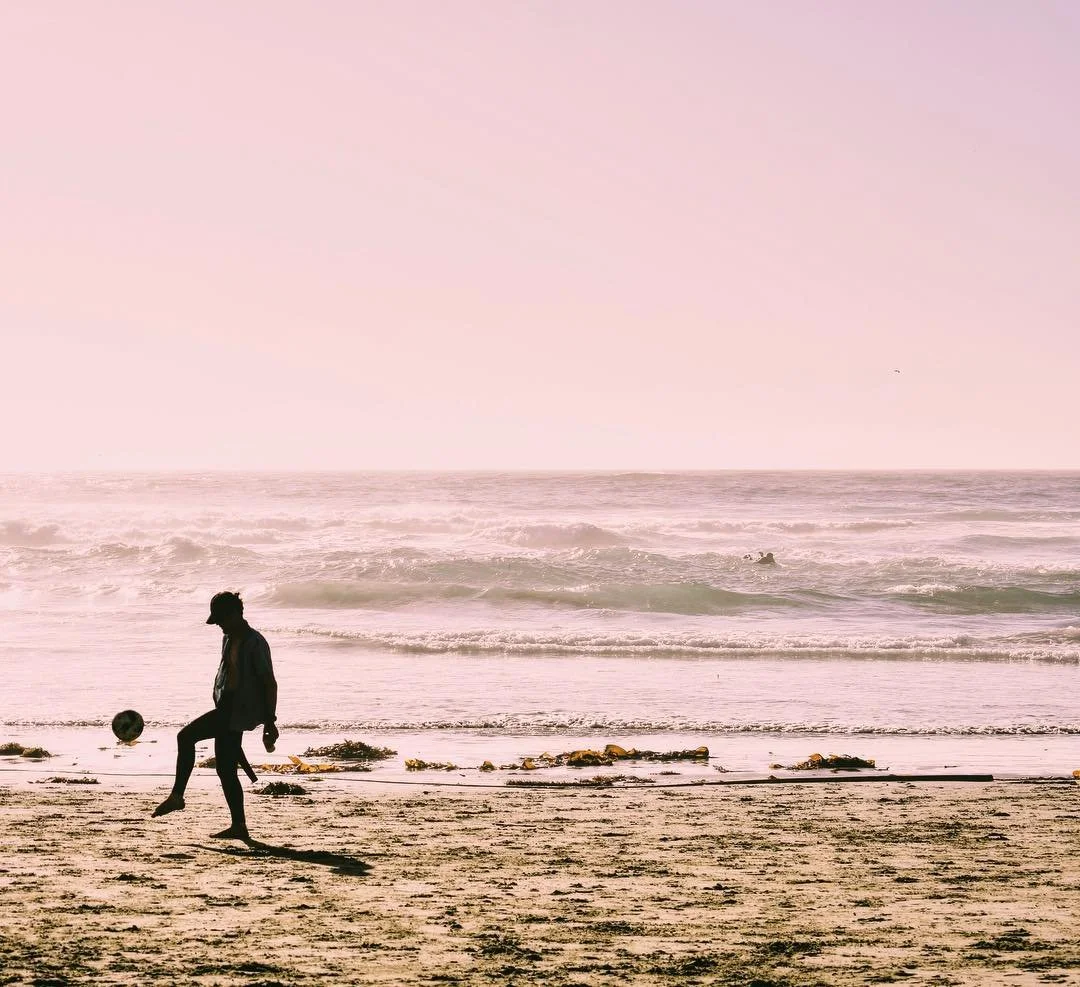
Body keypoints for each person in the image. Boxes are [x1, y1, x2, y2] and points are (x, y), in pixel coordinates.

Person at [152, 591, 279, 840]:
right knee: (226, 770)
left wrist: (270, 721)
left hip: (238, 711)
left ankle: (177, 796)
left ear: (236, 614)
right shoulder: (228, 637)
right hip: (227, 708)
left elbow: (269, 683)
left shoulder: (255, 642)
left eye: (222, 618)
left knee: (185, 737)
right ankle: (239, 826)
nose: (219, 624)